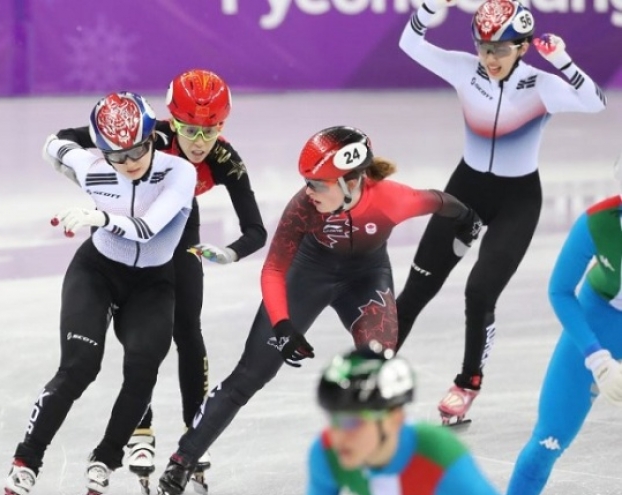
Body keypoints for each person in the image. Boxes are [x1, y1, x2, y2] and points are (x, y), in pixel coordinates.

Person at [155, 125, 485, 495]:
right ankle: (182, 461)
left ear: (351, 182)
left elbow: (438, 200)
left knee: (378, 366)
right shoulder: (303, 207)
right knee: (251, 374)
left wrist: (468, 217)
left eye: (318, 183)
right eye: (307, 182)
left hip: (366, 278)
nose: (308, 191)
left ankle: (376, 464)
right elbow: (275, 269)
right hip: (309, 275)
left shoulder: (392, 199)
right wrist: (281, 324)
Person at [396, 0, 607, 425]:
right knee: (417, 289)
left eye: (501, 49)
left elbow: (595, 102)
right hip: (465, 192)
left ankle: (467, 383)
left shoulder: (542, 85)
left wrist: (562, 60)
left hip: (518, 201)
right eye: (483, 47)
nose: (490, 58)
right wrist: (428, 8)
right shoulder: (462, 68)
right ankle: (374, 365)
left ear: (523, 46)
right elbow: (409, 42)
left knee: (480, 292)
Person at [53, 69, 267, 486]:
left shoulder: (224, 159)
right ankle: (140, 425)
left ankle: (194, 431)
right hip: (125, 222)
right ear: (171, 121)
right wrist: (78, 167)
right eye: (190, 130)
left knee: (187, 330)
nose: (201, 142)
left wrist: (229, 252)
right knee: (137, 333)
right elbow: (72, 135)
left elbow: (256, 229)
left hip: (180, 228)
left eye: (212, 130)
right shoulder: (147, 134)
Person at [4, 91, 196, 495]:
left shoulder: (179, 172)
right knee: (79, 367)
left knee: (143, 370)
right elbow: (53, 144)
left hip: (152, 283)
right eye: (116, 156)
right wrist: (95, 136)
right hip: (97, 273)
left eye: (137, 150)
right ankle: (27, 458)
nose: (128, 163)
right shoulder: (93, 164)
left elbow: (150, 227)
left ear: (152, 138)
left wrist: (99, 216)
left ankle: (105, 457)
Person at [506, 157, 622, 495]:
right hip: (600, 319)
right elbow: (559, 290)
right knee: (548, 442)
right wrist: (596, 357)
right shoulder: (599, 222)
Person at [308, 341, 502, 495]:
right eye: (333, 419)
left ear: (394, 418)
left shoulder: (437, 453)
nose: (339, 436)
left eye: (352, 423)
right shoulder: (327, 452)